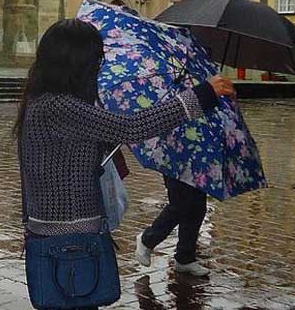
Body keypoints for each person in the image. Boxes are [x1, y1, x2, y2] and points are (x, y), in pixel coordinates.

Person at [16, 19, 235, 307]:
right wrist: (202, 94)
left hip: (58, 233)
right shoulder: (59, 107)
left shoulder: (44, 102)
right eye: (96, 60)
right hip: (70, 240)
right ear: (77, 63)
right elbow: (132, 127)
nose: (99, 67)